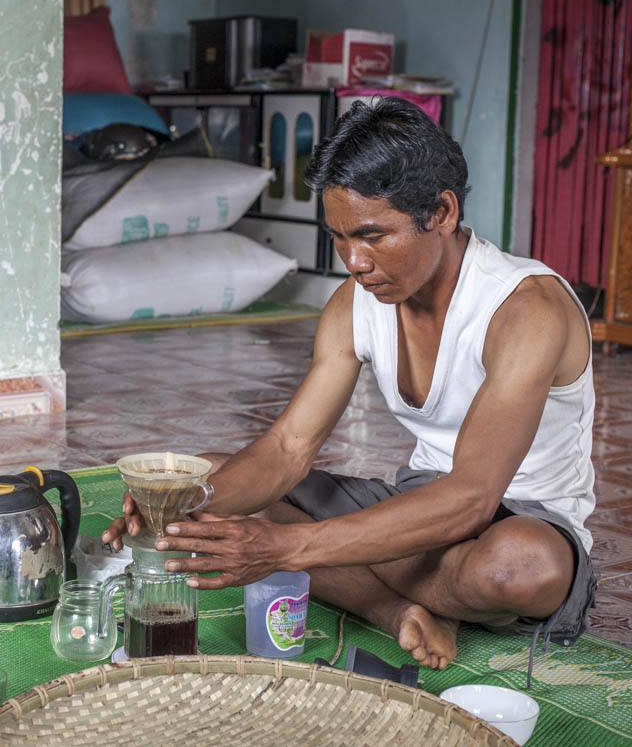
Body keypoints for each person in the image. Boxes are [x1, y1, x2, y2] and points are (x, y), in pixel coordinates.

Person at [102, 97, 597, 676]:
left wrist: (287, 547)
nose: (354, 262)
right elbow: (288, 449)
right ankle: (396, 607)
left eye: (372, 236)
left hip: (521, 520)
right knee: (207, 475)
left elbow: (471, 499)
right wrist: (182, 508)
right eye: (339, 238)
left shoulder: (525, 308)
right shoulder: (354, 304)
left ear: (440, 211)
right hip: (418, 506)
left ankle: (388, 579)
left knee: (516, 569)